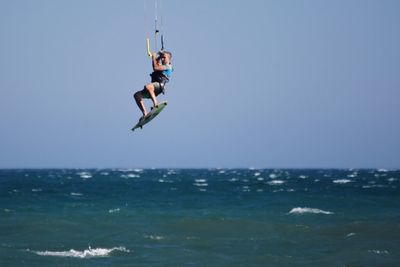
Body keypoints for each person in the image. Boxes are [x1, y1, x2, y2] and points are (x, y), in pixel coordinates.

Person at [134, 51, 173, 119]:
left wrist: (154, 57)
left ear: (169, 59)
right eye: (162, 58)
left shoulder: (168, 66)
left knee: (148, 86)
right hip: (153, 88)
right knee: (137, 95)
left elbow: (155, 67)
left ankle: (155, 104)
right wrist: (159, 57)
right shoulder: (162, 65)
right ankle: (145, 113)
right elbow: (156, 64)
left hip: (159, 86)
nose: (163, 59)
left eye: (164, 58)